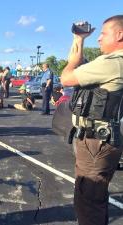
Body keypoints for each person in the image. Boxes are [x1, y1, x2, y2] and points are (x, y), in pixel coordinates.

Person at [61, 15, 123, 225]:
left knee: (88, 202)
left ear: (120, 35)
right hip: (102, 140)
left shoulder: (113, 63)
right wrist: (78, 39)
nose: (99, 38)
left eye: (104, 34)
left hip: (96, 142)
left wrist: (78, 41)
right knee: (95, 200)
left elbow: (67, 77)